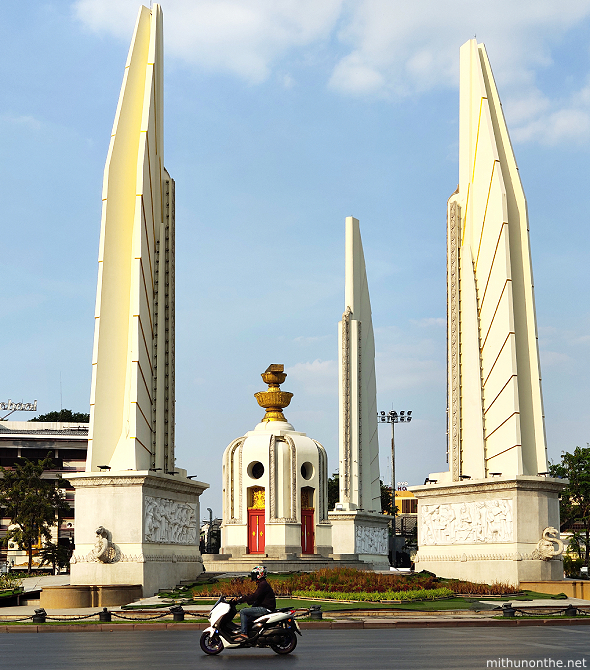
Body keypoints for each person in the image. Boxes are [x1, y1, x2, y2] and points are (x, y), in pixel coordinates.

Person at [234, 565, 276, 640]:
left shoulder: (263, 585)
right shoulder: (262, 584)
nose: (253, 576)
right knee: (249, 617)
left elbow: (255, 596)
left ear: (260, 575)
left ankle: (244, 634)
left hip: (265, 608)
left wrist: (241, 599)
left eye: (255, 574)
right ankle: (251, 634)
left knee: (243, 612)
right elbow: (257, 598)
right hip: (265, 607)